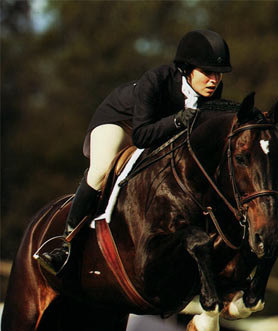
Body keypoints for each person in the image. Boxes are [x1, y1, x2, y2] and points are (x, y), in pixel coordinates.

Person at [38, 29, 232, 275]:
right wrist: (177, 121)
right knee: (101, 169)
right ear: (186, 69)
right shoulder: (156, 80)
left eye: (218, 74)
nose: (214, 80)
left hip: (156, 129)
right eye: (207, 73)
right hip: (121, 123)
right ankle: (65, 246)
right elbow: (141, 136)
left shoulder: (210, 94)